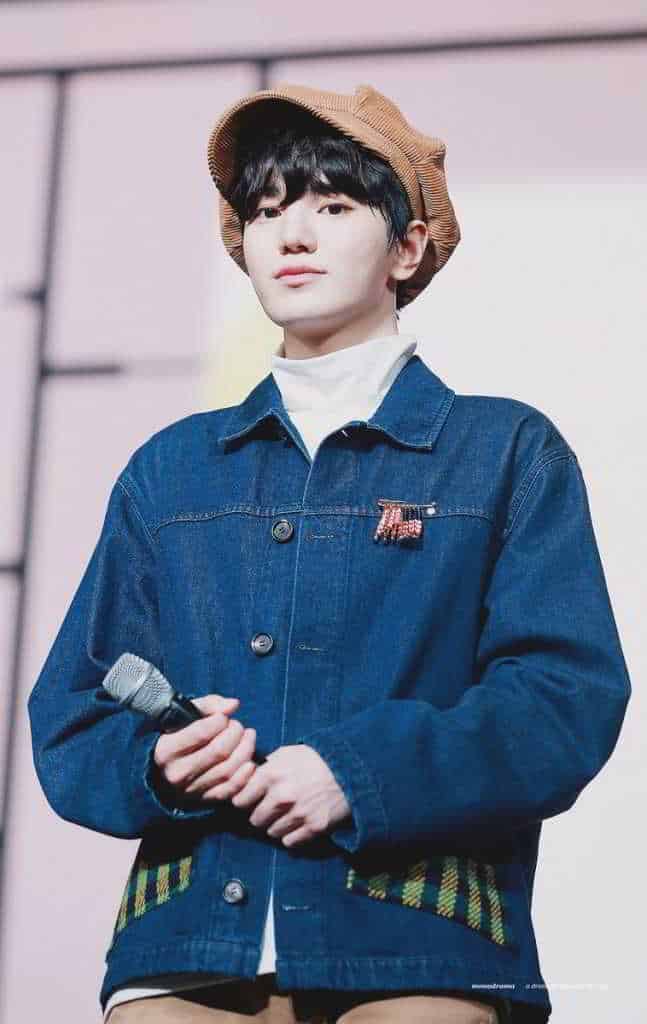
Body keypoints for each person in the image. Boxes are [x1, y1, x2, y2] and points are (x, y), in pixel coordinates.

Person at [27, 83, 631, 1024]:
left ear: (407, 247)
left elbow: (562, 701)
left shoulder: (504, 451)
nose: (292, 235)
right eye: (267, 212)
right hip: (186, 952)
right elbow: (74, 711)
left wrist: (359, 772)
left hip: (418, 943)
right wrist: (163, 763)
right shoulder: (172, 470)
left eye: (334, 207)